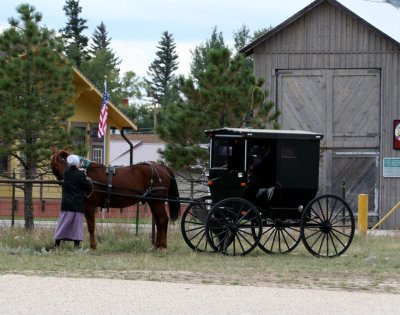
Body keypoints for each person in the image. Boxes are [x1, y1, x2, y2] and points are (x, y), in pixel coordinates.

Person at [54, 154, 92, 249]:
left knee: (62, 225)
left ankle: (57, 244)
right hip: (77, 205)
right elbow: (87, 186)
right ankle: (76, 246)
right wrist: (86, 177)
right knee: (76, 227)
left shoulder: (65, 173)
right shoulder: (80, 174)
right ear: (77, 163)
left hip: (66, 204)